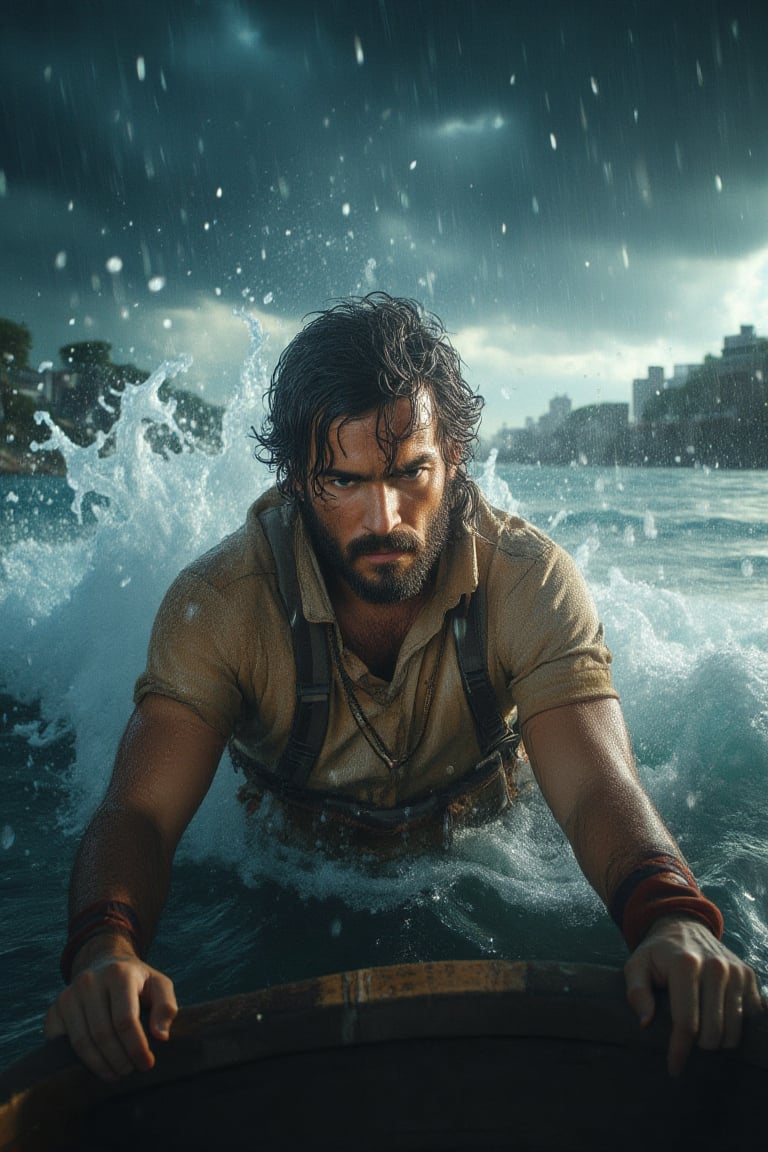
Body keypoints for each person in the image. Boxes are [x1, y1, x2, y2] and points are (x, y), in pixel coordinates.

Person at [45, 293, 763, 1082]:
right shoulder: (222, 603)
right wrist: (106, 951)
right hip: (286, 875)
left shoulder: (529, 581)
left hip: (479, 852)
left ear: (453, 454)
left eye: (408, 471)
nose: (381, 516)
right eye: (341, 481)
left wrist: (669, 919)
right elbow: (140, 812)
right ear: (295, 479)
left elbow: (595, 786)